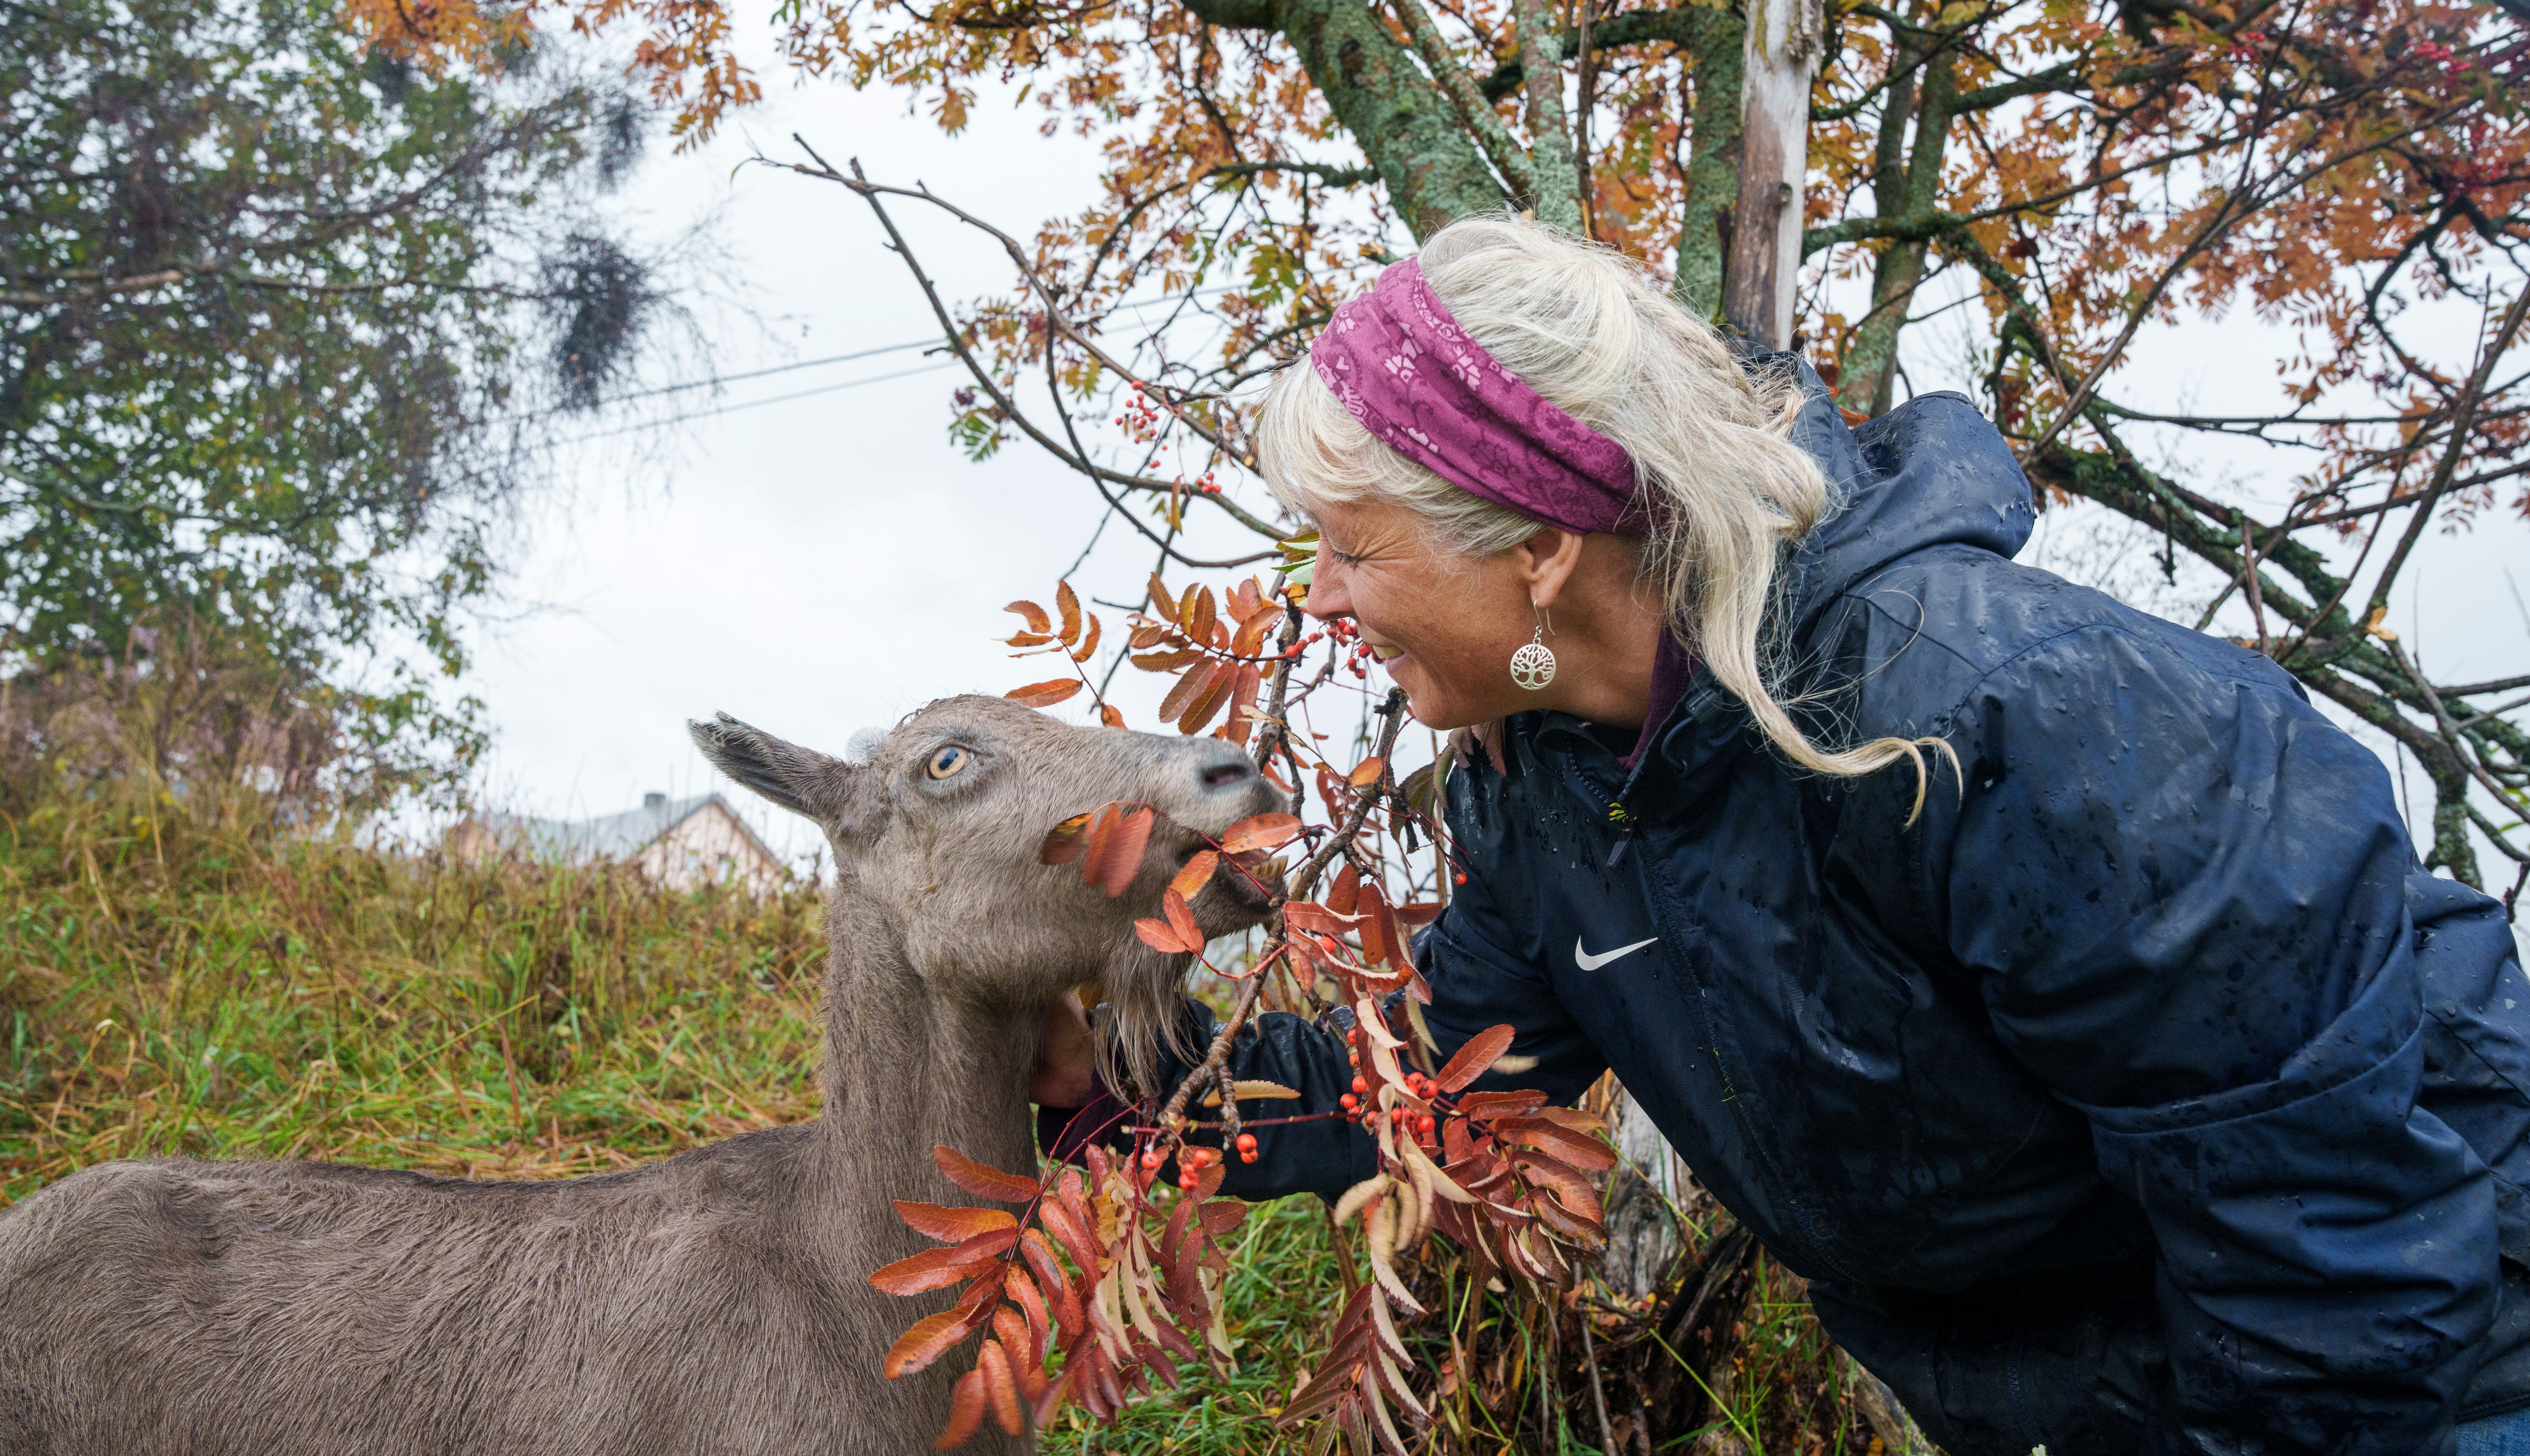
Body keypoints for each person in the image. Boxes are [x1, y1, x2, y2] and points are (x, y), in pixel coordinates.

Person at [1026, 216, 2530, 1455]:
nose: (1316, 598)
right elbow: (1429, 1078)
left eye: (1355, 546)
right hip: (2098, 1392)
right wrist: (1112, 1096)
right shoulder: (1548, 782)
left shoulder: (2014, 718)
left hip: (2436, 1360)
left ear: (1541, 548)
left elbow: (2328, 1250)